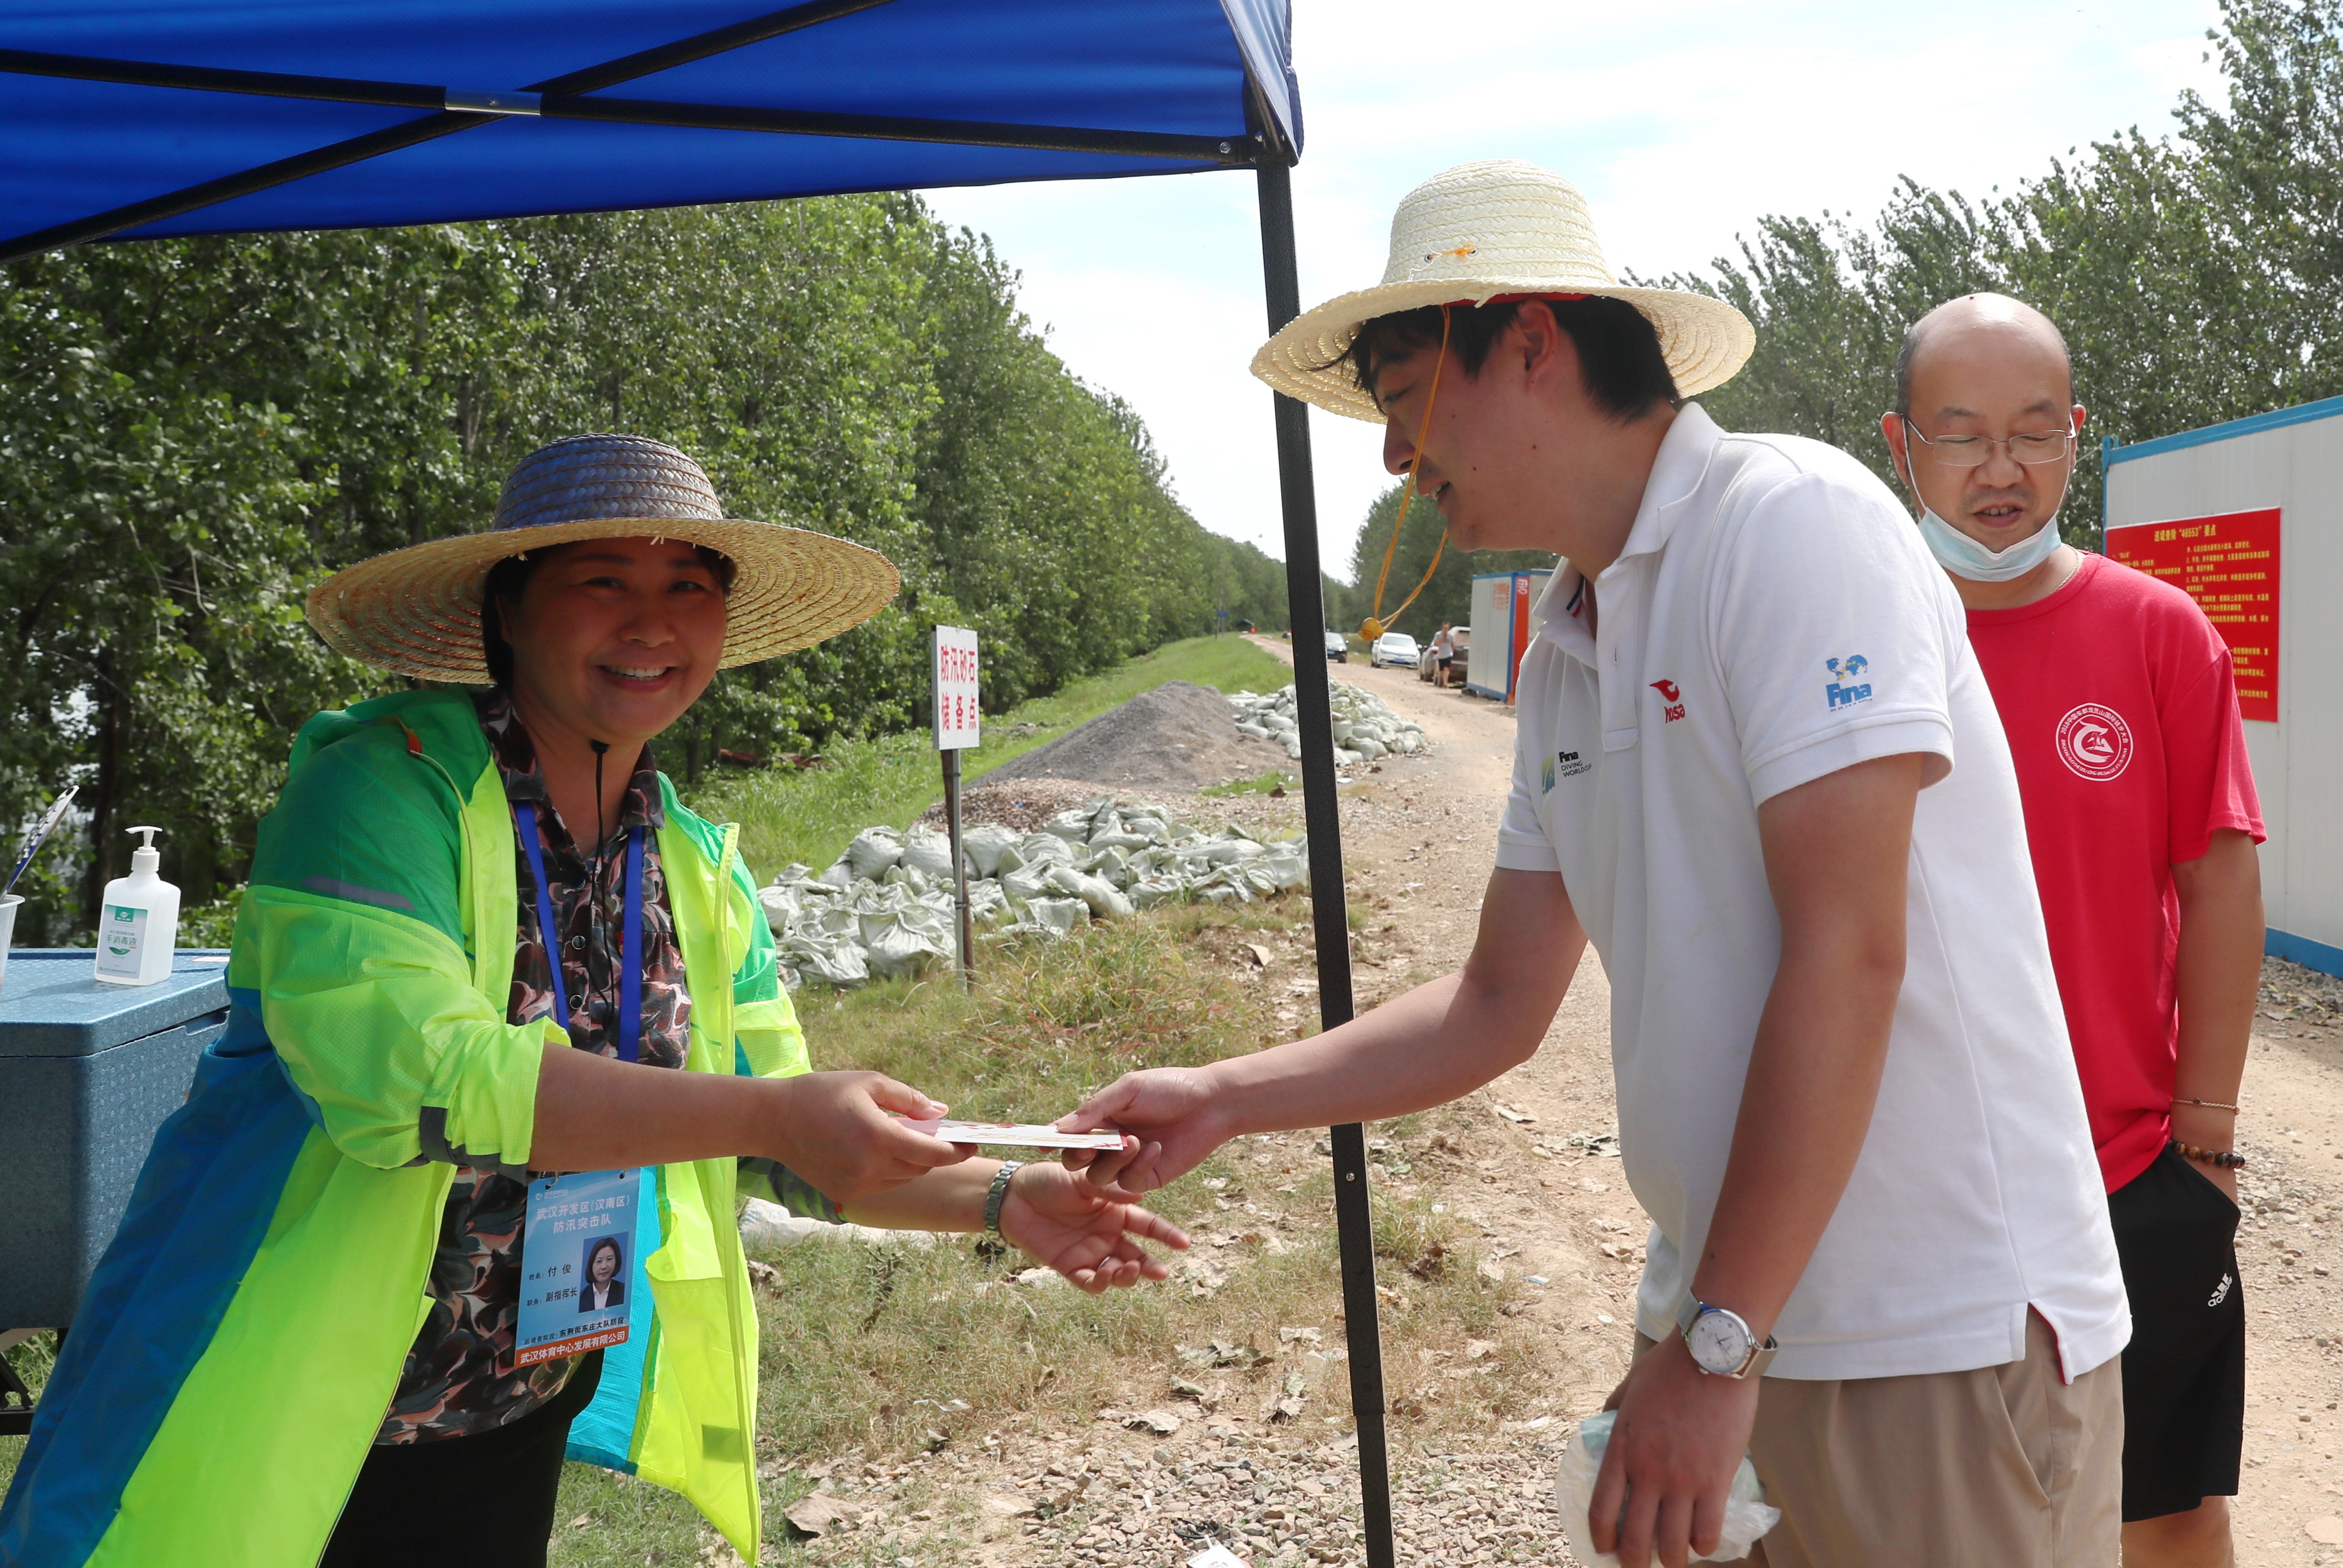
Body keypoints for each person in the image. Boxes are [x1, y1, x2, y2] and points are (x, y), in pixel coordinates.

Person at [1062, 160, 2128, 1568]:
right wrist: (1218, 1097)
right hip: (1738, 1333)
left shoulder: (1784, 525)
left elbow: (1847, 949)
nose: (1391, 458)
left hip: (1925, 1339)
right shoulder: (1567, 645)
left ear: (1527, 341)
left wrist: (1715, 1342)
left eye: (1397, 397)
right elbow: (1493, 1004)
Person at [0, 435, 1185, 1568]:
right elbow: (416, 1084)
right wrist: (772, 1119)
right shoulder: (377, 789)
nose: (651, 621)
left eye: (689, 585)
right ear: (506, 609)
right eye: (601, 579)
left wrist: (1003, 1195)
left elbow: (790, 1132)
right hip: (278, 1415)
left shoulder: (686, 861)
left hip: (509, 1411)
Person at [1882, 294, 2265, 1568]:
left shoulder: (2158, 633)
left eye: (2034, 434)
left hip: (2120, 1173)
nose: (1999, 470)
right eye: (1961, 435)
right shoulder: (1852, 633)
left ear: (2074, 439)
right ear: (1901, 446)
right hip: (1899, 1184)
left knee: (2156, 1512)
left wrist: (2203, 1147)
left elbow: (2216, 885)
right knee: (1924, 1516)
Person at [579, 1237, 625, 1312]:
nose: (604, 1267)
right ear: (591, 1264)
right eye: (599, 1261)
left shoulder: (624, 1292)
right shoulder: (580, 1299)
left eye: (609, 1259)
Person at [1429, 621, 1456, 687]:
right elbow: (1436, 643)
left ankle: (1445, 683)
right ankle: (1443, 682)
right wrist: (1443, 639)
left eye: (1447, 628)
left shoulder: (1451, 636)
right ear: (1442, 628)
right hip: (1441, 655)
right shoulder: (1438, 635)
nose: (1446, 630)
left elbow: (1453, 644)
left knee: (1446, 669)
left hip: (1448, 654)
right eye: (1444, 628)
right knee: (1442, 671)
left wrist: (1452, 651)